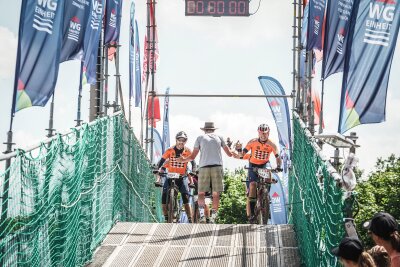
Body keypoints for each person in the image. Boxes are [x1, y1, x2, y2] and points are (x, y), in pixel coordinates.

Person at [178, 122, 233, 223]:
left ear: (204, 130)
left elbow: (192, 157)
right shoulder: (220, 137)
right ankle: (213, 217)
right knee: (216, 194)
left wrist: (183, 160)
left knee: (201, 193)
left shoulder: (200, 138)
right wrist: (232, 148)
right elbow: (229, 154)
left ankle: (202, 215)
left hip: (204, 167)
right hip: (217, 166)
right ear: (214, 130)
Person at [233, 123, 282, 223]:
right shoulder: (252, 142)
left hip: (264, 164)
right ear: (258, 133)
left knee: (269, 173)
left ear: (268, 133)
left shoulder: (272, 144)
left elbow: (277, 157)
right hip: (253, 165)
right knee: (252, 185)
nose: (263, 135)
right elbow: (242, 154)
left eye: (265, 133)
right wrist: (239, 150)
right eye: (261, 133)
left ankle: (266, 196)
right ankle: (251, 212)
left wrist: (279, 166)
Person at [154, 131, 196, 223]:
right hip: (170, 177)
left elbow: (193, 162)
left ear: (186, 141)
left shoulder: (188, 151)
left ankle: (190, 219)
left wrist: (193, 170)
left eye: (183, 140)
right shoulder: (170, 150)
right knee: (164, 197)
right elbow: (162, 160)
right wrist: (157, 168)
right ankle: (166, 217)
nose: (181, 142)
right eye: (179, 140)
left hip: (182, 177)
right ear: (176, 140)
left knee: (185, 198)